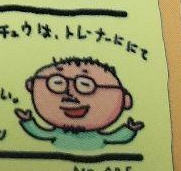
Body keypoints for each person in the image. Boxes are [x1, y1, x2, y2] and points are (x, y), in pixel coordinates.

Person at [15, 57, 144, 151]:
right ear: (31, 86)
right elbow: (40, 133)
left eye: (85, 85)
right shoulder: (57, 134)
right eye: (57, 83)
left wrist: (130, 129)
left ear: (125, 100)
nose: (70, 95)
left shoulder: (97, 137)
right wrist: (28, 121)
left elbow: (116, 137)